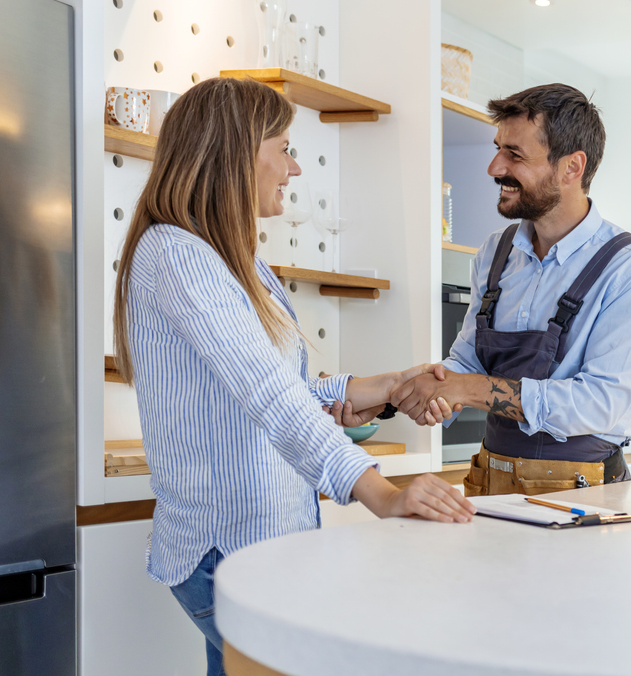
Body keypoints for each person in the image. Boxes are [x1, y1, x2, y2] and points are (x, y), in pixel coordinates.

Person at [111, 77, 474, 676]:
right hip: (225, 544)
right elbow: (268, 394)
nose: (295, 168)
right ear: (235, 153)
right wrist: (379, 493)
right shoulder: (176, 254)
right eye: (284, 147)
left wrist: (380, 388)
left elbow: (280, 389)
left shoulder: (233, 257)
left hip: (263, 538)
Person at [394, 83, 631, 495]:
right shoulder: (494, 252)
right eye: (498, 148)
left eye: (515, 155)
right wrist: (415, 393)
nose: (494, 168)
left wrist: (465, 389)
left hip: (584, 495)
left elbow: (599, 403)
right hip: (490, 482)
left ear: (571, 168)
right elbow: (468, 360)